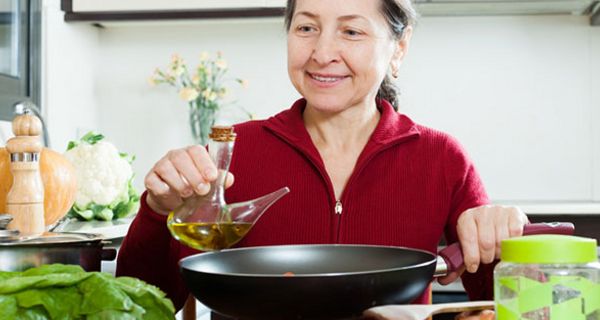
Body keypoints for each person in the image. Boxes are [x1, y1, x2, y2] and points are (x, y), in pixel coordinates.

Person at [117, 0, 528, 318]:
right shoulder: (233, 151)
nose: (322, 52)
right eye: (307, 28)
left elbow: (506, 304)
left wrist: (508, 244)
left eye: (351, 31)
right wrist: (158, 213)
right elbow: (140, 303)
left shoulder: (442, 158)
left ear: (398, 50)